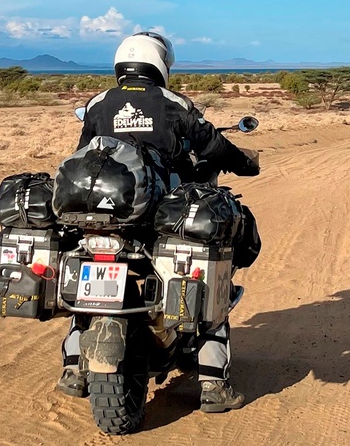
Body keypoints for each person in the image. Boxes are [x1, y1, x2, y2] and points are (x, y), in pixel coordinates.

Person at [56, 31, 259, 413]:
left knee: (86, 286)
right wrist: (244, 163)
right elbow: (212, 144)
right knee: (204, 274)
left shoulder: (98, 103)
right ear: (161, 63)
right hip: (158, 216)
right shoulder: (172, 102)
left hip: (102, 218)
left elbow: (81, 152)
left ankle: (73, 369)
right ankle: (214, 385)